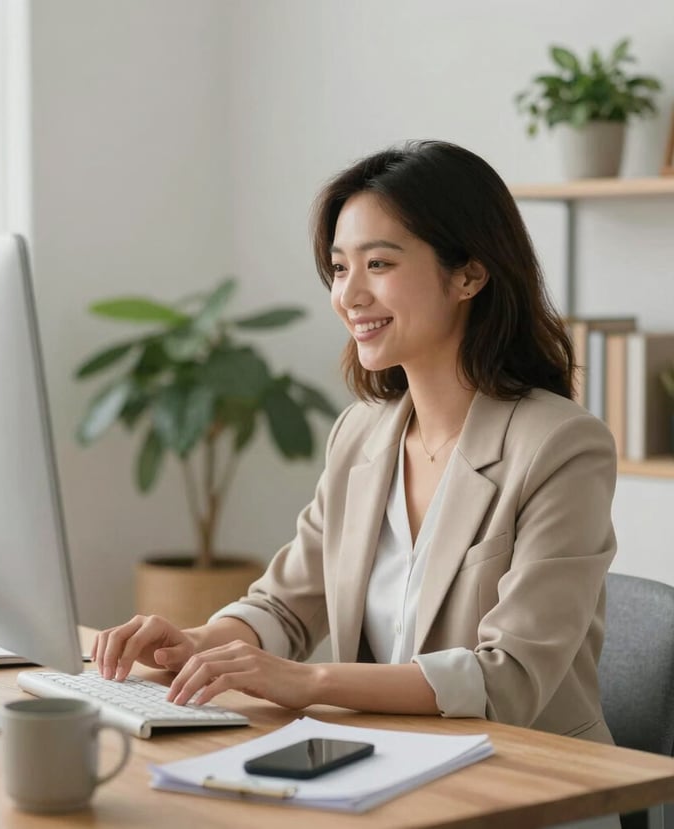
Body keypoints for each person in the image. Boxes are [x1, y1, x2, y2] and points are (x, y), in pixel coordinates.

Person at [93, 140, 617, 747]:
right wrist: (197, 643)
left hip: (530, 774)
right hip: (386, 758)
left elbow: (509, 678)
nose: (349, 295)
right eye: (340, 268)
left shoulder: (561, 446)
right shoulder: (360, 434)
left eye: (379, 264)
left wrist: (309, 681)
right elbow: (286, 607)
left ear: (469, 275)